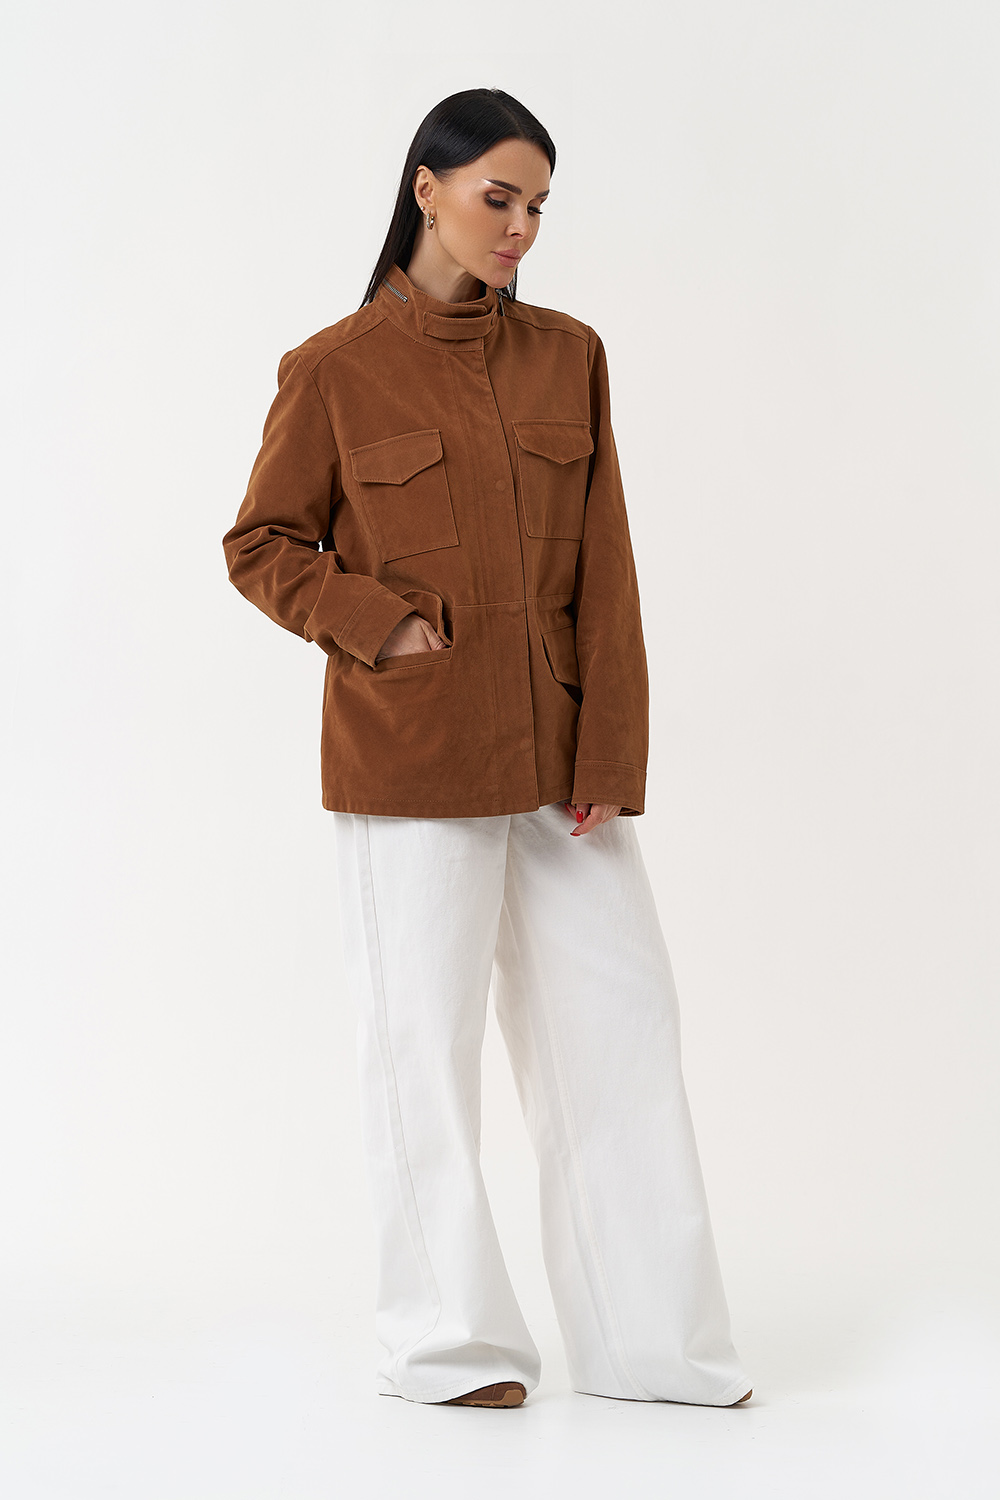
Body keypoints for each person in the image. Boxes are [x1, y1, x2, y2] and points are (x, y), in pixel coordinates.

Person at [222, 87, 752, 1412]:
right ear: (428, 188)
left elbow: (607, 569)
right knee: (422, 1052)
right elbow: (261, 545)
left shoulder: (570, 356)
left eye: (539, 207)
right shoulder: (334, 368)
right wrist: (384, 626)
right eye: (498, 197)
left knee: (623, 1033)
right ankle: (445, 1346)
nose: (520, 227)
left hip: (563, 766)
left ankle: (654, 1347)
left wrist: (610, 754)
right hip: (412, 759)